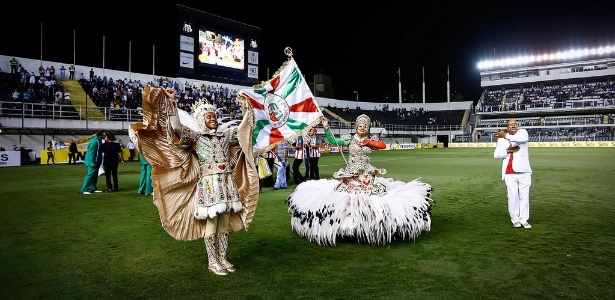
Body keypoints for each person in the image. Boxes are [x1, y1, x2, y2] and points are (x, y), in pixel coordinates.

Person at [129, 86, 258, 276]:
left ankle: (222, 257)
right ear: (200, 120)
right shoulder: (196, 137)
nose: (213, 118)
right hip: (209, 186)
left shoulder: (225, 137)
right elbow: (177, 128)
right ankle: (212, 261)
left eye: (214, 116)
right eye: (208, 116)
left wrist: (248, 109)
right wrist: (172, 103)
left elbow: (243, 132)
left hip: (226, 184)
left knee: (224, 223)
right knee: (212, 223)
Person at [286, 115, 434, 246]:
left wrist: (369, 142)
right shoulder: (349, 139)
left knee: (371, 195)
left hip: (367, 172)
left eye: (365, 126)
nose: (362, 128)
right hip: (352, 172)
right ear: (356, 126)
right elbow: (332, 140)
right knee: (348, 197)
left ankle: (368, 224)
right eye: (360, 125)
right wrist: (326, 127)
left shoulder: (370, 140)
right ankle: (347, 226)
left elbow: (382, 145)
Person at [493, 119, 532, 229]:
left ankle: (524, 219)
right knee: (513, 196)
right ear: (507, 127)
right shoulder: (501, 140)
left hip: (524, 171)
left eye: (515, 124)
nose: (513, 125)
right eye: (511, 124)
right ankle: (515, 219)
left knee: (524, 196)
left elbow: (522, 139)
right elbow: (496, 155)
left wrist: (505, 136)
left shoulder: (522, 132)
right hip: (509, 173)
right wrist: (507, 151)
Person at [80, 131, 105, 195]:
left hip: (96, 160)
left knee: (95, 175)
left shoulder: (97, 140)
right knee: (90, 175)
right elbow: (93, 152)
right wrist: (93, 161)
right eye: (104, 135)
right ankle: (84, 189)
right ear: (100, 135)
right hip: (93, 161)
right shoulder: (95, 141)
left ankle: (93, 188)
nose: (105, 136)